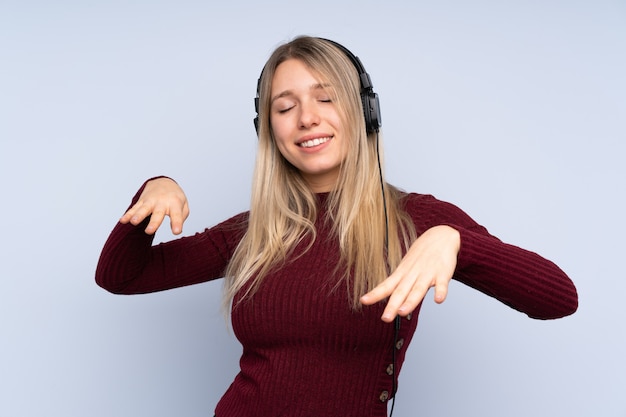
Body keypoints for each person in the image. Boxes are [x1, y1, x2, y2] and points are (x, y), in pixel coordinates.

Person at [96, 36, 578, 417]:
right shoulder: (256, 231)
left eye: (326, 98)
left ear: (364, 112)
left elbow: (558, 299)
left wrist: (458, 244)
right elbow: (122, 276)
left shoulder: (418, 221)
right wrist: (151, 194)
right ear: (270, 131)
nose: (307, 119)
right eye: (284, 108)